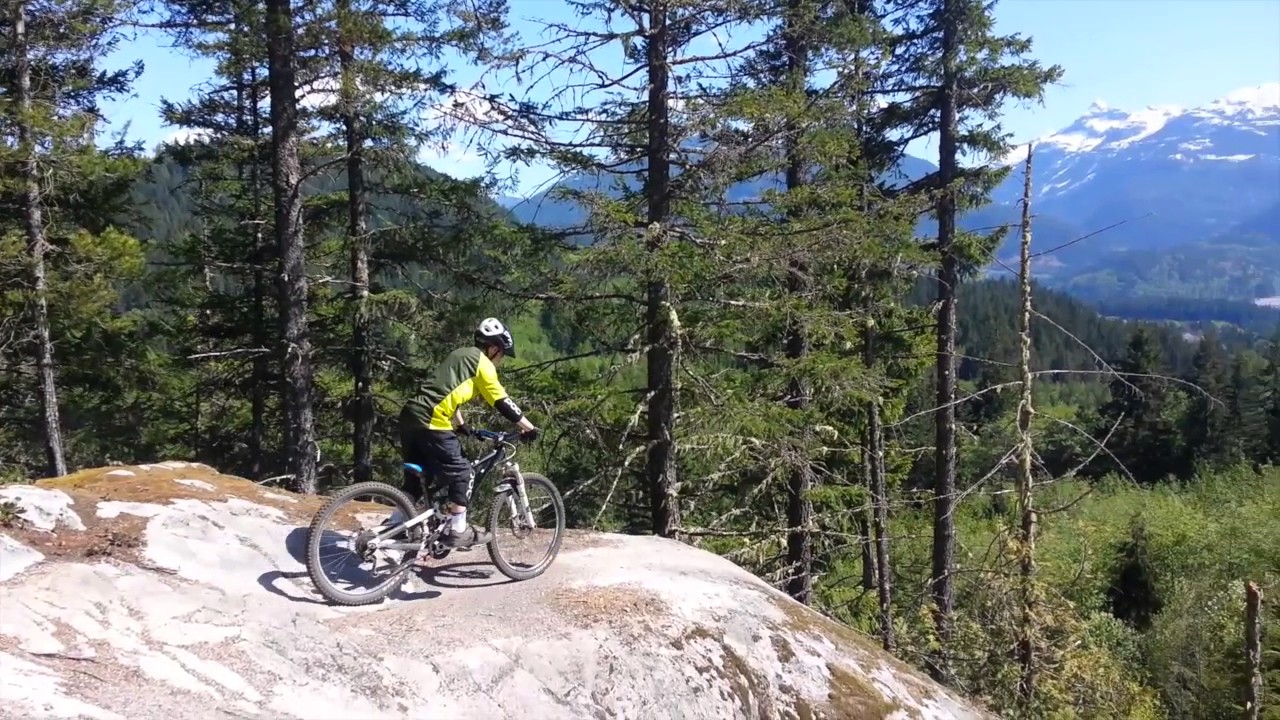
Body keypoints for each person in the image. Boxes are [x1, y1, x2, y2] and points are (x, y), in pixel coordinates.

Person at [397, 317, 539, 548]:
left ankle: (393, 526)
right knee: (463, 471)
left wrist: (461, 424)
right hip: (431, 419)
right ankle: (458, 530)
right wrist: (528, 427)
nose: (500, 360)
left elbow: (446, 389)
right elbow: (502, 401)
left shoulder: (459, 354)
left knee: (417, 479)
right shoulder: (484, 364)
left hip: (410, 416)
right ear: (493, 348)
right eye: (502, 354)